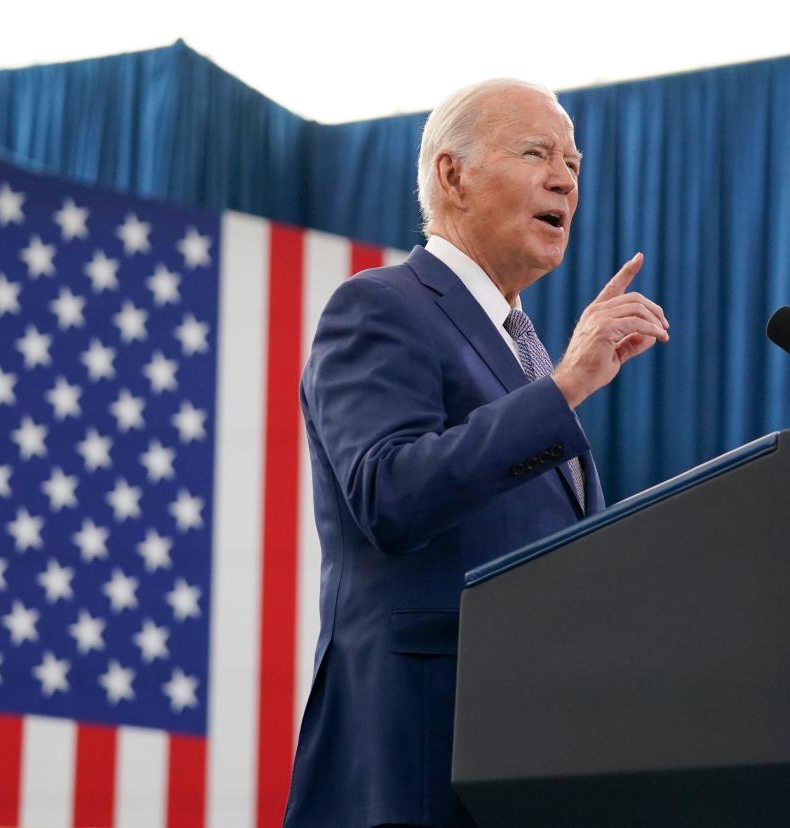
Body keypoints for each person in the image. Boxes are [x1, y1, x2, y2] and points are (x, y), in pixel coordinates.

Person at [282, 78, 669, 828]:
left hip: (526, 758)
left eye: (574, 163)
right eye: (536, 153)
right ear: (451, 175)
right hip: (415, 755)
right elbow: (388, 494)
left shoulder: (525, 353)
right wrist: (560, 392)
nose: (565, 178)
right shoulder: (380, 305)